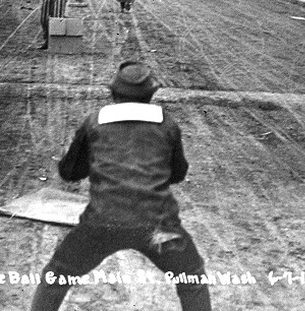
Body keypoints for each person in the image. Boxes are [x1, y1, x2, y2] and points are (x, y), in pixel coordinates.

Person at [29, 61, 212, 311]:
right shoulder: (167, 124)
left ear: (114, 93)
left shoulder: (95, 122)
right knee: (192, 278)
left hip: (103, 221)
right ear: (151, 95)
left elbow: (70, 172)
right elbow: (178, 174)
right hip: (157, 224)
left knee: (56, 275)